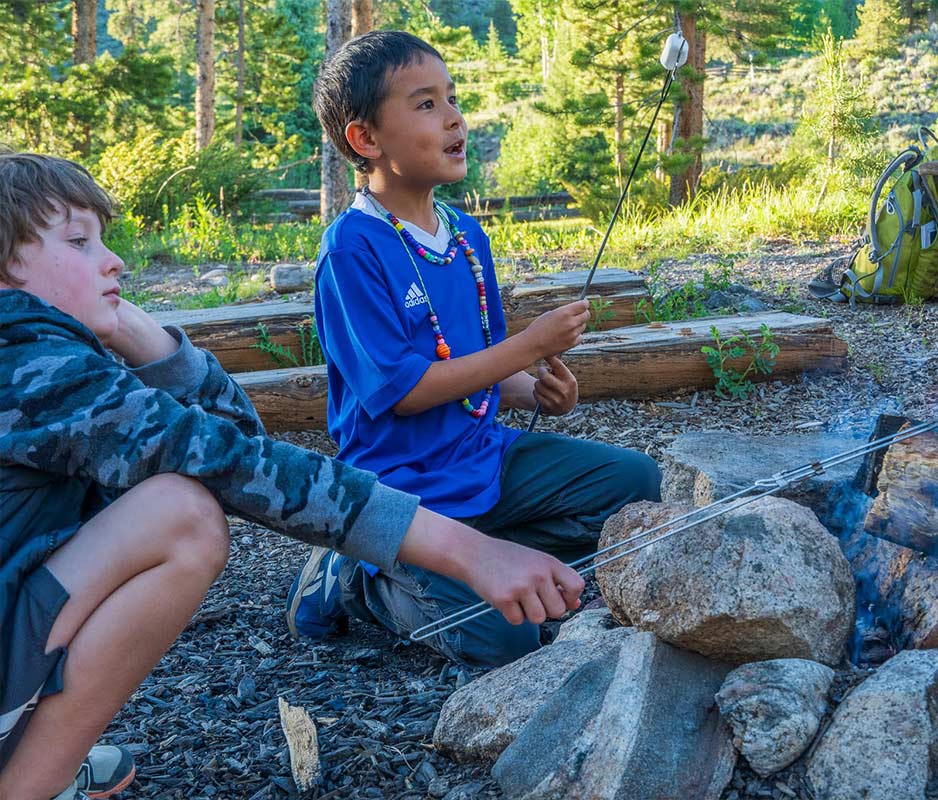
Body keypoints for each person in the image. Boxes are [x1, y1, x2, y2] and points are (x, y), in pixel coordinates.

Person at [0, 151, 585, 800]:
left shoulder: (40, 354)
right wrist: (468, 551)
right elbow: (239, 464)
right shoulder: (29, 370)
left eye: (104, 240)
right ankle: (28, 783)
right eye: (78, 242)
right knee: (179, 516)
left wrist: (145, 338)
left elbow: (237, 439)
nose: (113, 261)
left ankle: (27, 744)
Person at [289, 30, 661, 667]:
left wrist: (535, 387)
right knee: (505, 634)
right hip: (399, 489)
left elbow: (472, 367)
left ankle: (474, 551)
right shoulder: (352, 250)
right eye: (426, 104)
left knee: (637, 481)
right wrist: (526, 348)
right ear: (366, 140)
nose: (456, 118)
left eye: (452, 98)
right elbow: (404, 393)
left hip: (481, 456)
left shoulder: (465, 236)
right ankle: (357, 577)